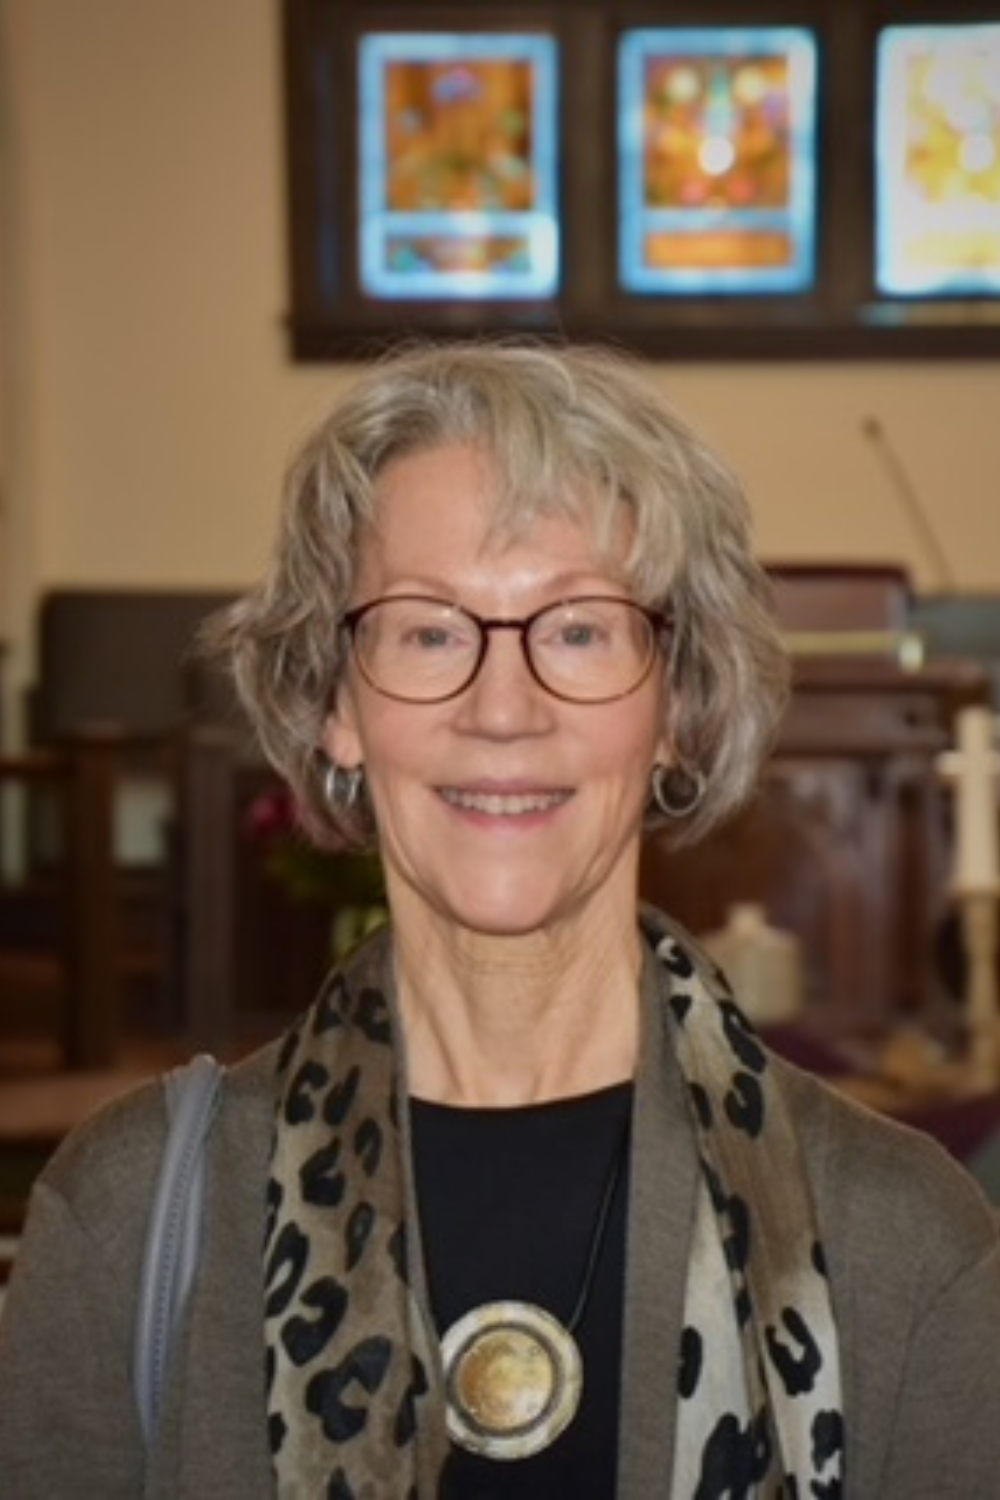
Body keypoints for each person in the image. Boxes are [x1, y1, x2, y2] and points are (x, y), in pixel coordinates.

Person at [1, 339, 999, 1499]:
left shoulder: (901, 1241)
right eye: (429, 629)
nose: (502, 707)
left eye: (577, 629)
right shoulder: (130, 1225)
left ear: (676, 705)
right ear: (335, 704)